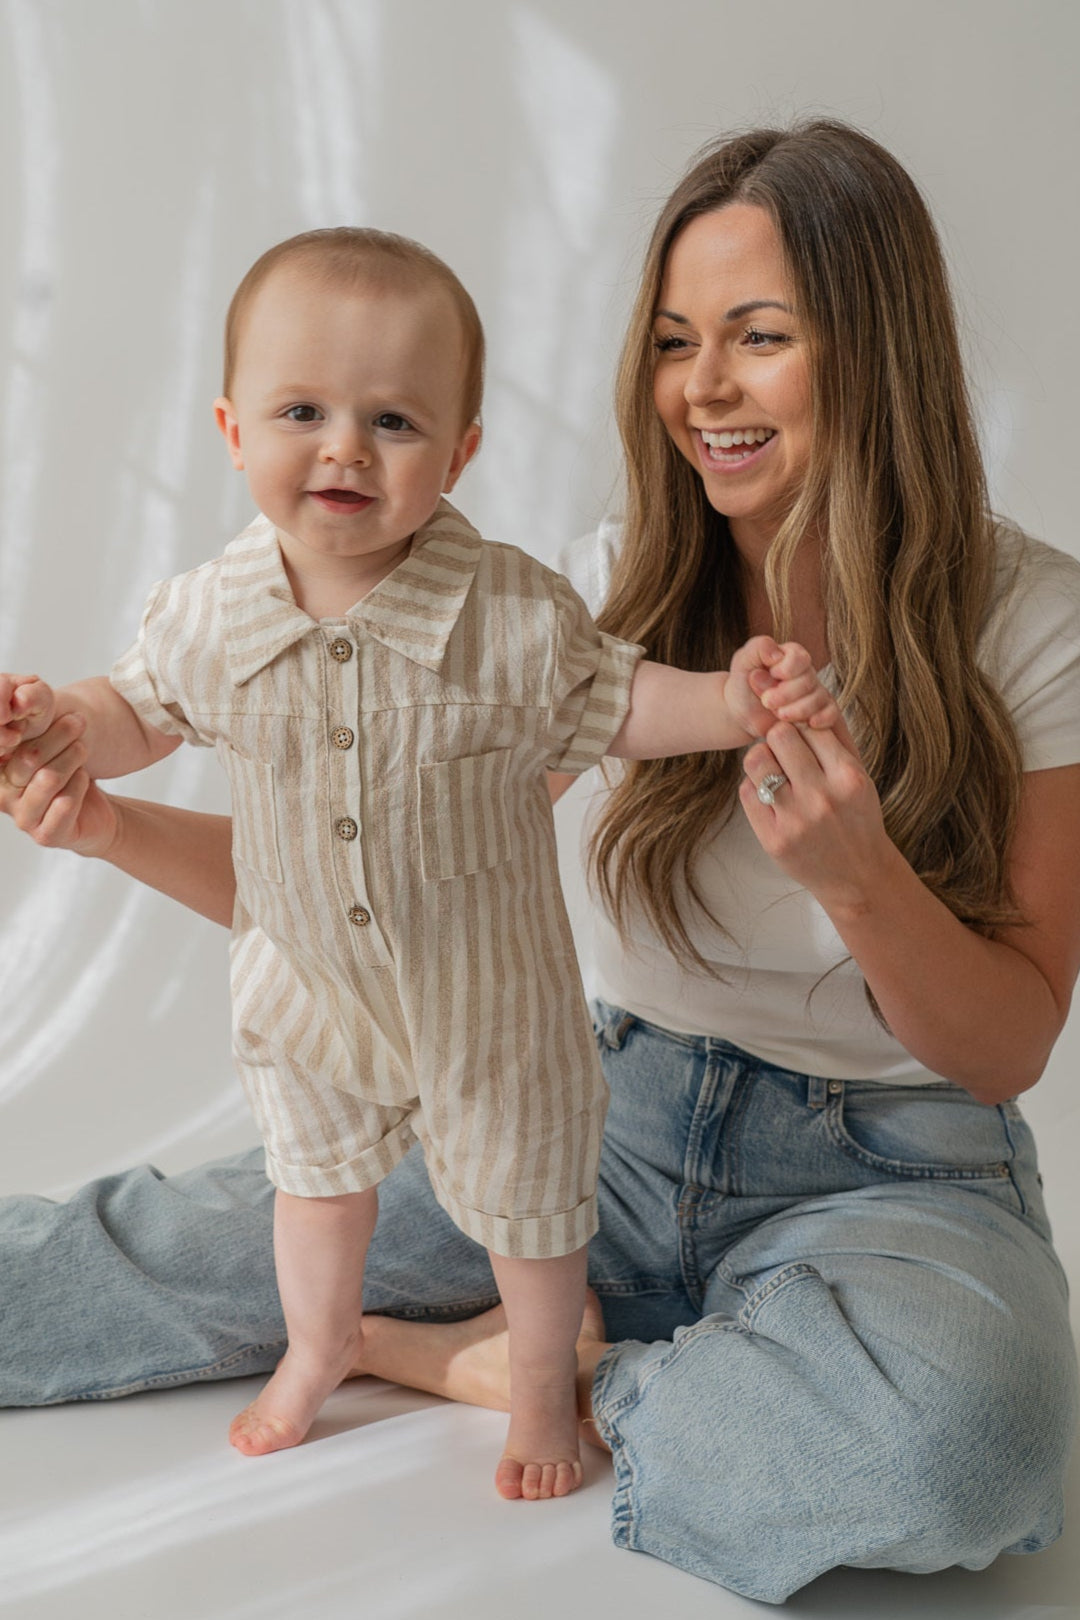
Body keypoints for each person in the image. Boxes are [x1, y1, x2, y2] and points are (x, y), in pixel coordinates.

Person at [1, 118, 1078, 1601]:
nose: (704, 389)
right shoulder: (598, 582)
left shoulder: (1031, 622)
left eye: (760, 337)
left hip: (895, 1175)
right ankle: (558, 1350)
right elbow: (339, 875)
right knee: (136, 1257)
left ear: (873, 352)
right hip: (587, 1108)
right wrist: (106, 817)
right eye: (675, 340)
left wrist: (859, 878)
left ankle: (494, 1366)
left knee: (966, 1450)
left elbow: (1011, 1041)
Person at [0, 225, 839, 1504]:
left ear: (459, 454)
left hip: (488, 1007)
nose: (344, 447)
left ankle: (544, 1376)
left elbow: (619, 705)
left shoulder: (506, 617)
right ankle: (322, 1346)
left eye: (393, 420)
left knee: (534, 1216)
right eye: (303, 411)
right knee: (313, 1197)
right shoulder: (211, 615)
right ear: (232, 433)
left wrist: (733, 700)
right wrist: (55, 725)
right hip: (306, 996)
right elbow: (133, 708)